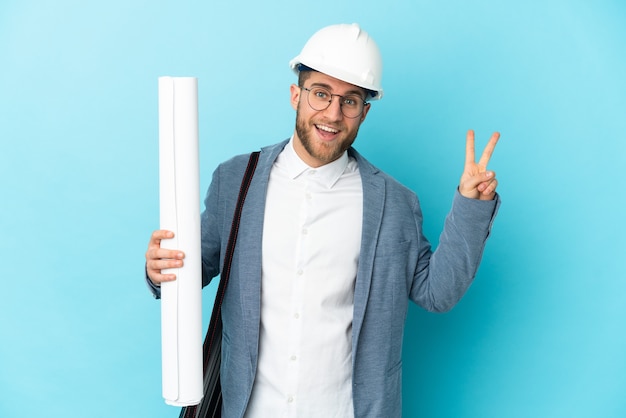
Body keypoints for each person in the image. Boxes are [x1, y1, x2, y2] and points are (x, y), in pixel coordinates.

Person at [145, 23, 500, 418]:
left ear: (364, 113)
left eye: (350, 101)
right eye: (320, 94)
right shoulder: (236, 181)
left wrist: (470, 205)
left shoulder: (395, 204)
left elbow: (437, 293)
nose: (333, 113)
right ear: (296, 95)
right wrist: (161, 269)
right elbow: (196, 267)